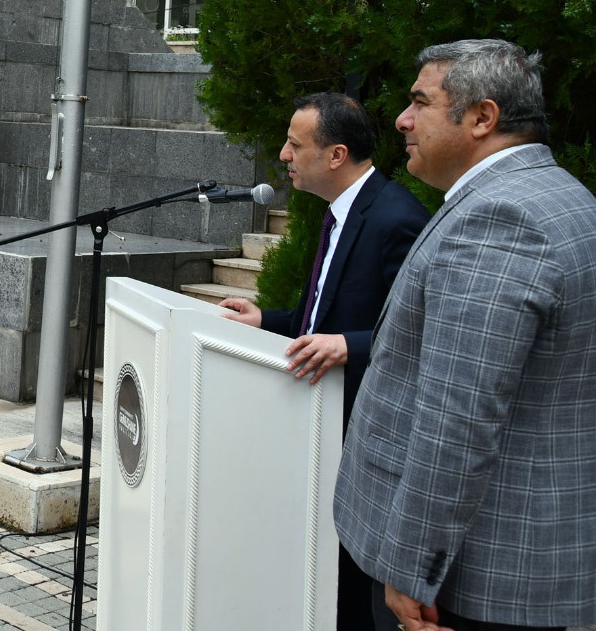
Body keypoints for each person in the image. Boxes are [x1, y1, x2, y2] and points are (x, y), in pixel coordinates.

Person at [334, 40, 596, 631]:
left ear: (482, 117)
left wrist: (411, 566)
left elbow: (457, 416)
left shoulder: (502, 218)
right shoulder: (558, 197)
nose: (401, 120)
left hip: (471, 584)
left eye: (419, 102)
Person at [217, 94, 429, 631]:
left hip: (366, 434)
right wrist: (266, 319)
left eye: (295, 144)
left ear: (336, 155)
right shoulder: (339, 213)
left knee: (359, 595)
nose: (285, 155)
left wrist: (348, 346)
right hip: (321, 425)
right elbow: (324, 316)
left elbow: (423, 335)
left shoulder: (396, 217)